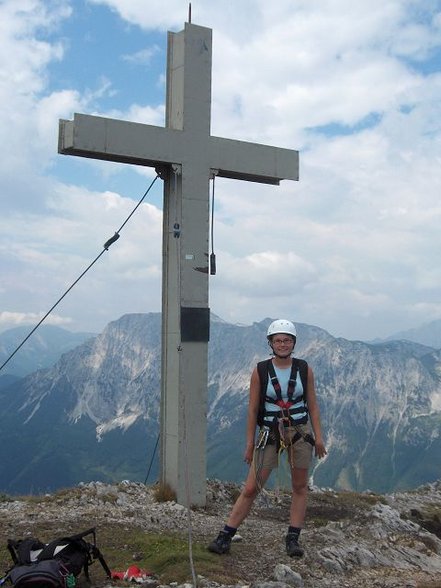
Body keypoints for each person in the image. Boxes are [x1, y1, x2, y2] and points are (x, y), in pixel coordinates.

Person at [208, 319, 327, 557]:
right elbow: (253, 409)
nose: (283, 344)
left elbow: (312, 405)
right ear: (271, 344)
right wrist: (249, 444)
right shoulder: (260, 371)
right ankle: (225, 535)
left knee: (300, 486)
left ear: (293, 343)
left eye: (287, 340)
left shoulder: (304, 369)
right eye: (278, 340)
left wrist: (320, 438)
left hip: (300, 431)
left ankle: (293, 538)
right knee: (251, 487)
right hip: (269, 432)